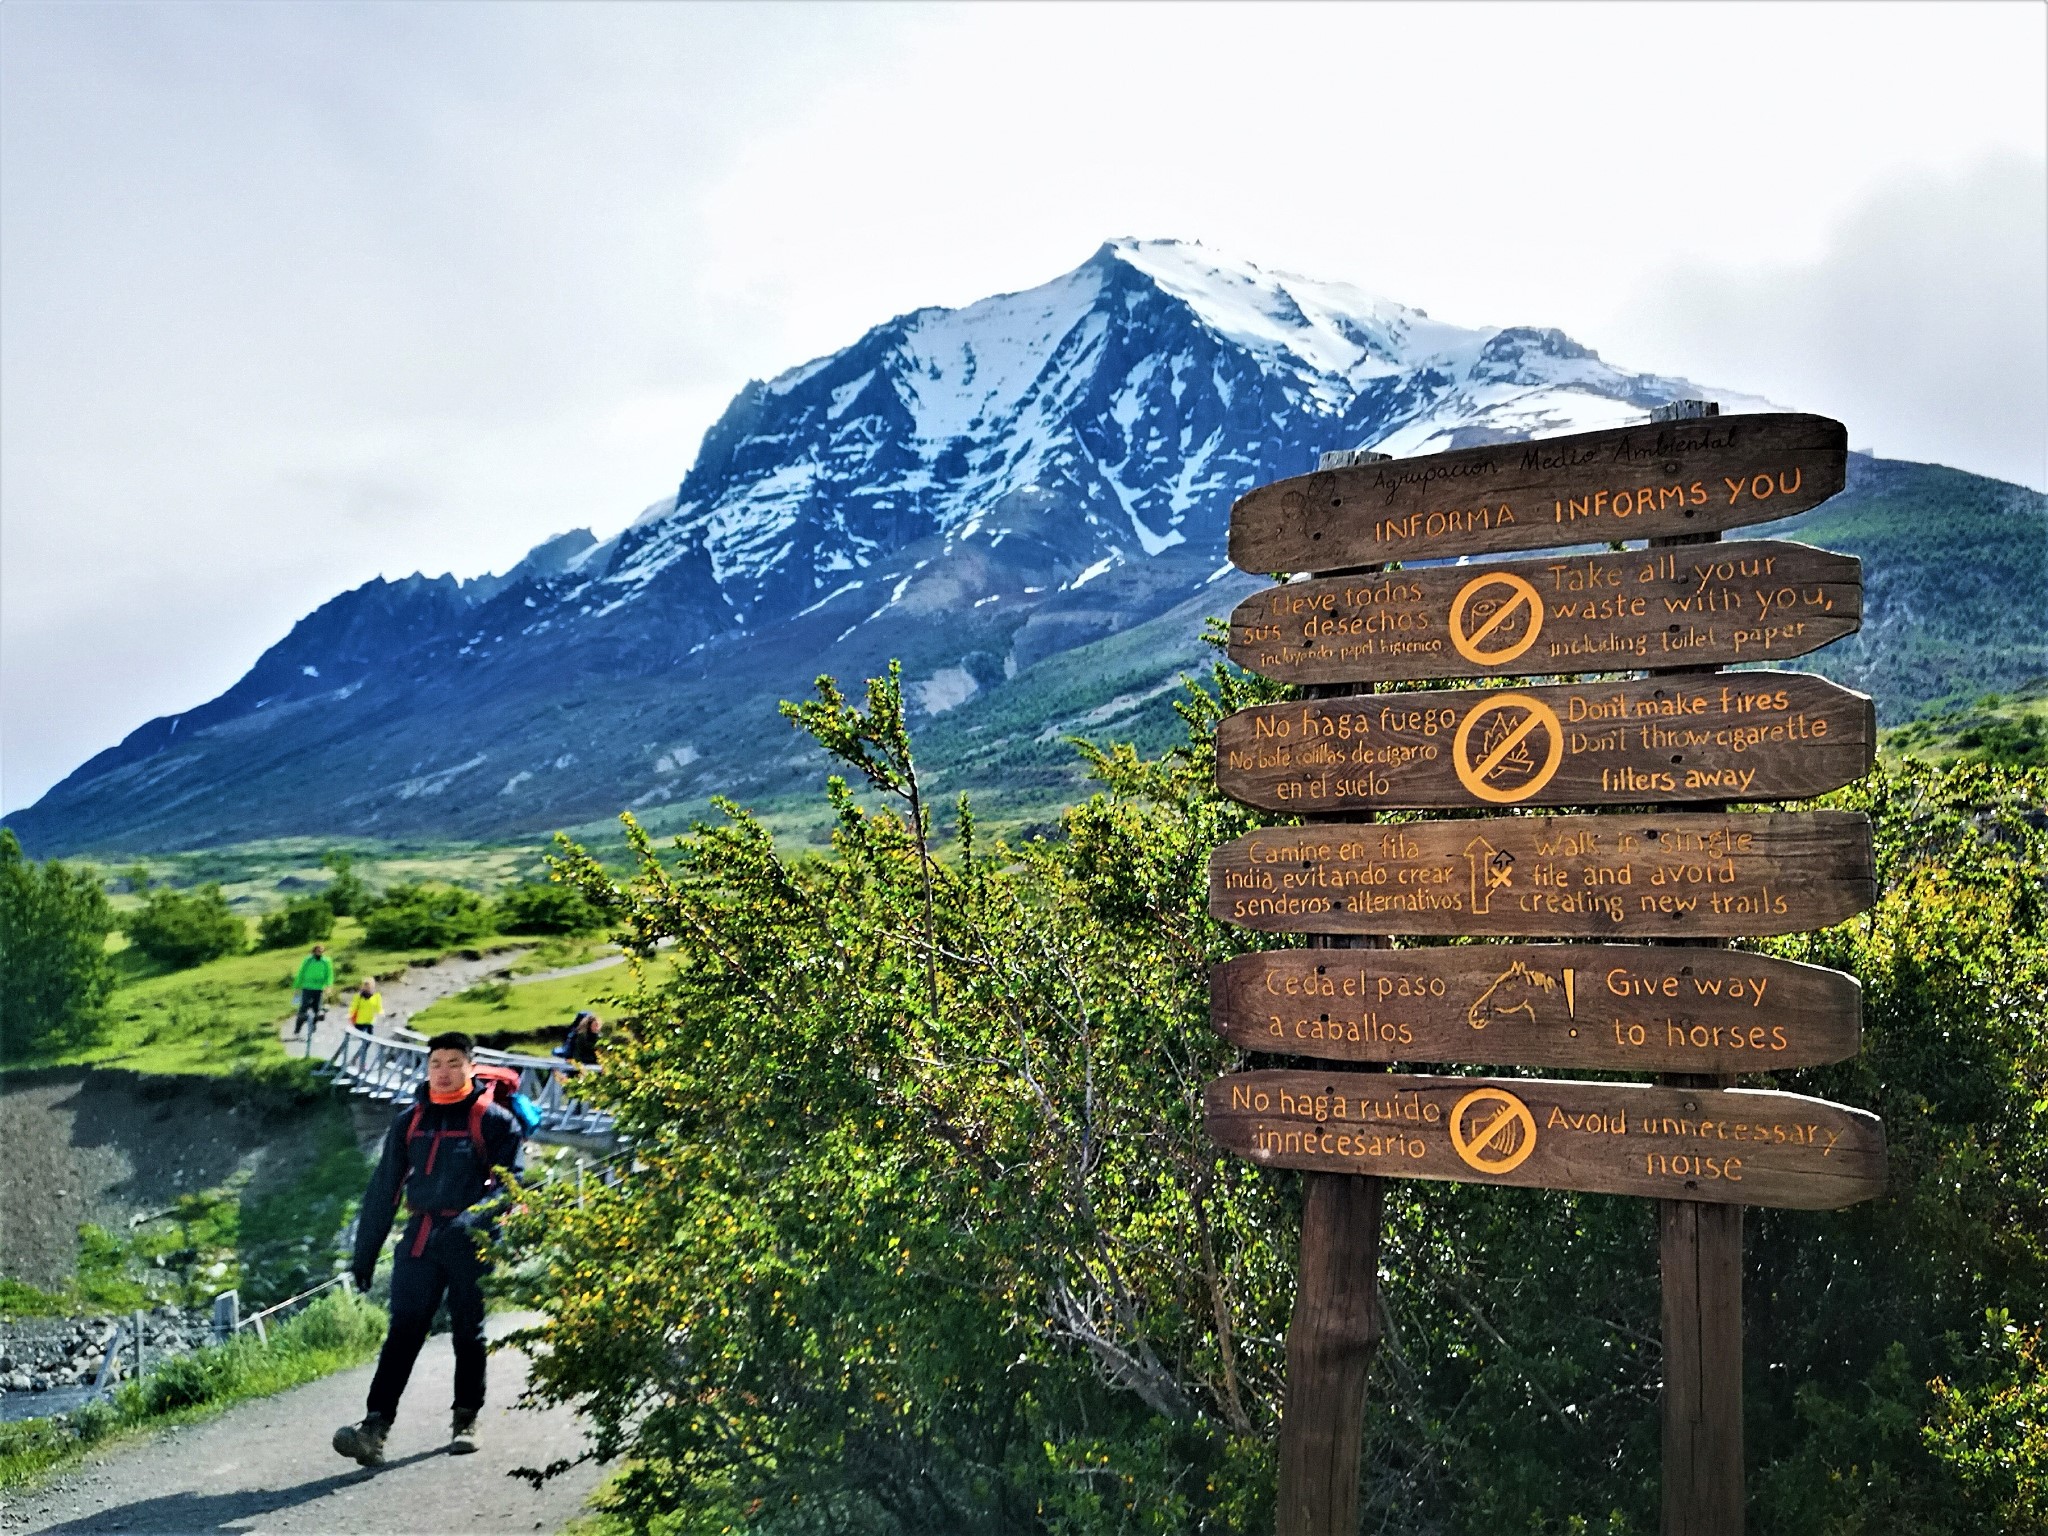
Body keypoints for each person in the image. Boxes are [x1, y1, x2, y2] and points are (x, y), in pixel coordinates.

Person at [332, 1032, 522, 1466]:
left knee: (467, 1332)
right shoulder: (410, 1122)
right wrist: (364, 1254)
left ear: (471, 1067)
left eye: (454, 1062)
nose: (444, 1070)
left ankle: (465, 1420)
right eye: (436, 1062)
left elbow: (513, 1186)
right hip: (420, 1239)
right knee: (403, 1331)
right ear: (427, 1067)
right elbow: (383, 1190)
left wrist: (471, 1221)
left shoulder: (494, 1121)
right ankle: (373, 1430)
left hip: (471, 1243)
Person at [292, 945, 333, 1036]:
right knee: (303, 1008)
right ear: (314, 951)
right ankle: (297, 1029)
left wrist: (329, 986)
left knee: (317, 1009)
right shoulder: (308, 960)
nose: (319, 953)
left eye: (321, 951)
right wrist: (297, 986)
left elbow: (329, 974)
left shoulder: (326, 961)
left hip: (319, 988)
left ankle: (313, 1025)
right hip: (307, 987)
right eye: (318, 951)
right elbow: (301, 972)